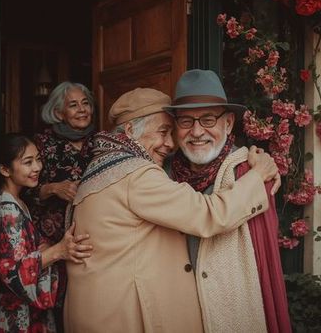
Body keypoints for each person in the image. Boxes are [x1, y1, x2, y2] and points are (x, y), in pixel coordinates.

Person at [63, 88, 279, 333]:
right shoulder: (135, 173)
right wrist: (258, 176)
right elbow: (208, 214)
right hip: (124, 318)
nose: (170, 143)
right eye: (163, 132)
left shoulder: (98, 167)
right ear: (131, 132)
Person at [165, 69, 291, 333]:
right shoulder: (162, 174)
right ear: (175, 127)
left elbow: (264, 262)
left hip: (232, 316)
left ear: (229, 123)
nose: (197, 131)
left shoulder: (251, 172)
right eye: (186, 121)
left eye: (208, 119)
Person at [0, 133, 93, 332]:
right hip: (18, 316)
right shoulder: (8, 210)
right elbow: (12, 272)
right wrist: (58, 251)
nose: (37, 167)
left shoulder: (19, 202)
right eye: (28, 162)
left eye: (38, 159)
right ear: (5, 169)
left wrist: (45, 248)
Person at [26, 81, 96, 330]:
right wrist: (54, 188)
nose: (82, 109)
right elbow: (23, 188)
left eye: (85, 103)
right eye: (73, 105)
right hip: (52, 238)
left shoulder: (101, 141)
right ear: (58, 113)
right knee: (57, 302)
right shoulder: (42, 144)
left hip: (93, 235)